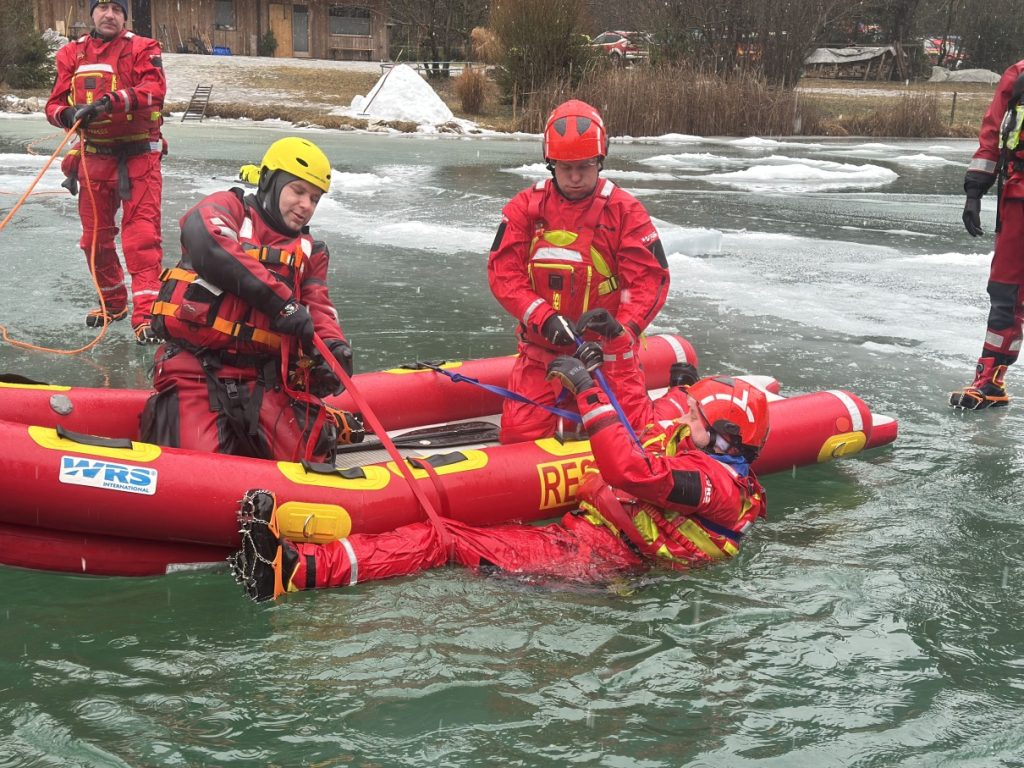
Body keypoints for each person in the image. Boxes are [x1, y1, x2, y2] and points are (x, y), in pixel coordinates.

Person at [229, 309, 769, 602]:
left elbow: (630, 469)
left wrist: (586, 391)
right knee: (453, 537)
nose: (685, 419)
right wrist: (620, 349)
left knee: (444, 540)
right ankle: (303, 561)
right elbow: (638, 421)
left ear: (724, 438)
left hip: (595, 563)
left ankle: (299, 572)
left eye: (696, 417)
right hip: (587, 541)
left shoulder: (716, 488)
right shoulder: (698, 454)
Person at [140, 137, 358, 462]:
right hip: (196, 370)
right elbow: (207, 245)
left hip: (264, 380)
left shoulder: (311, 251)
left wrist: (334, 346)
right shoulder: (228, 208)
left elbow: (318, 307)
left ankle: (320, 422)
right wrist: (281, 303)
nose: (306, 205)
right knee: (200, 468)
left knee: (309, 461)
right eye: (298, 191)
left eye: (314, 198)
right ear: (269, 181)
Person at [487, 99, 671, 442]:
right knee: (519, 437)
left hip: (607, 356)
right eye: (565, 167)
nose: (574, 177)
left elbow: (649, 281)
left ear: (600, 161)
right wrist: (543, 317)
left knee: (636, 439)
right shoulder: (525, 208)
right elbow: (504, 274)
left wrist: (620, 330)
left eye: (584, 167)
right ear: (550, 163)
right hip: (543, 356)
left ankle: (676, 399)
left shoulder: (625, 212)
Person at [45, 0, 167, 344]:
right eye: (102, 7)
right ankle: (112, 303)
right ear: (92, 14)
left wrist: (107, 104)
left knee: (141, 239)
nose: (109, 14)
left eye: (117, 8)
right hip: (94, 158)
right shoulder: (71, 54)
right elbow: (53, 104)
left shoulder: (144, 48)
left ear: (125, 16)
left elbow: (154, 91)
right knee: (94, 240)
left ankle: (148, 316)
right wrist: (67, 115)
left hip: (139, 156)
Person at [951, 61, 1024, 409]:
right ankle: (991, 380)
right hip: (1018, 196)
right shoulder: (1018, 75)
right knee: (1006, 292)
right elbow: (993, 132)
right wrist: (975, 190)